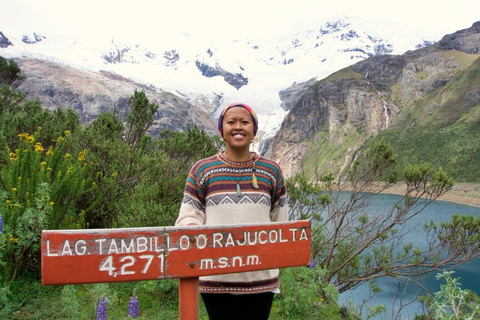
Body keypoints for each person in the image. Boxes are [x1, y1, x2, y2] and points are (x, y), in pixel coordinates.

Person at [175, 102, 288, 320]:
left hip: (260, 278)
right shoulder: (202, 169)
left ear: (254, 131)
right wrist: (200, 239)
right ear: (222, 131)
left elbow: (279, 222)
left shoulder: (272, 171)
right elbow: (188, 217)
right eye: (231, 122)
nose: (238, 127)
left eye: (245, 122)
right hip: (216, 277)